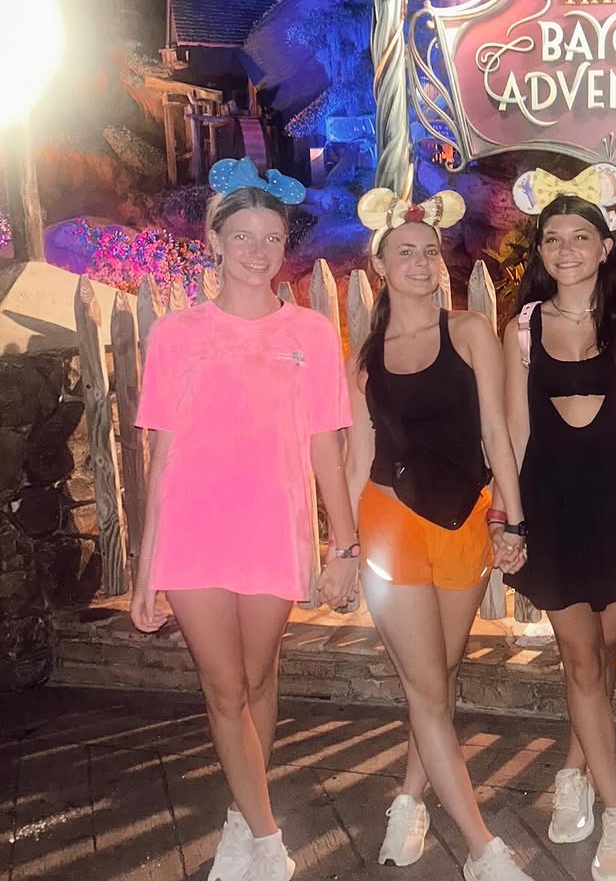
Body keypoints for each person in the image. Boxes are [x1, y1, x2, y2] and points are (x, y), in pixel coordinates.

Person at [131, 157, 359, 881]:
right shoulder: (175, 335)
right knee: (223, 686)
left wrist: (344, 543)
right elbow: (161, 457)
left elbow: (326, 445)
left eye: (271, 237)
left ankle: (241, 811)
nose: (258, 251)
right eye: (243, 236)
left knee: (260, 677)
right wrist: (145, 570)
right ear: (214, 240)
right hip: (191, 532)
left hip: (272, 527)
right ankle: (265, 839)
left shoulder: (312, 333)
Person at [345, 186, 535, 881]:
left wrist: (511, 518)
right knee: (427, 687)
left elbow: (497, 434)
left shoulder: (472, 332)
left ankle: (408, 798)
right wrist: (342, 547)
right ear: (381, 266)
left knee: (439, 678)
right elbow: (356, 455)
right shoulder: (366, 356)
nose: (421, 263)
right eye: (406, 252)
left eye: (429, 251)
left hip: (465, 521)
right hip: (390, 525)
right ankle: (483, 849)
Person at [501, 164, 616, 881]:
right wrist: (508, 520)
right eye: (552, 238)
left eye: (580, 236)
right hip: (549, 509)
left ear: (605, 247)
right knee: (578, 657)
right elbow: (514, 434)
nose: (565, 249)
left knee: (602, 654)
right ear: (539, 251)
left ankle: (574, 770)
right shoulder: (523, 328)